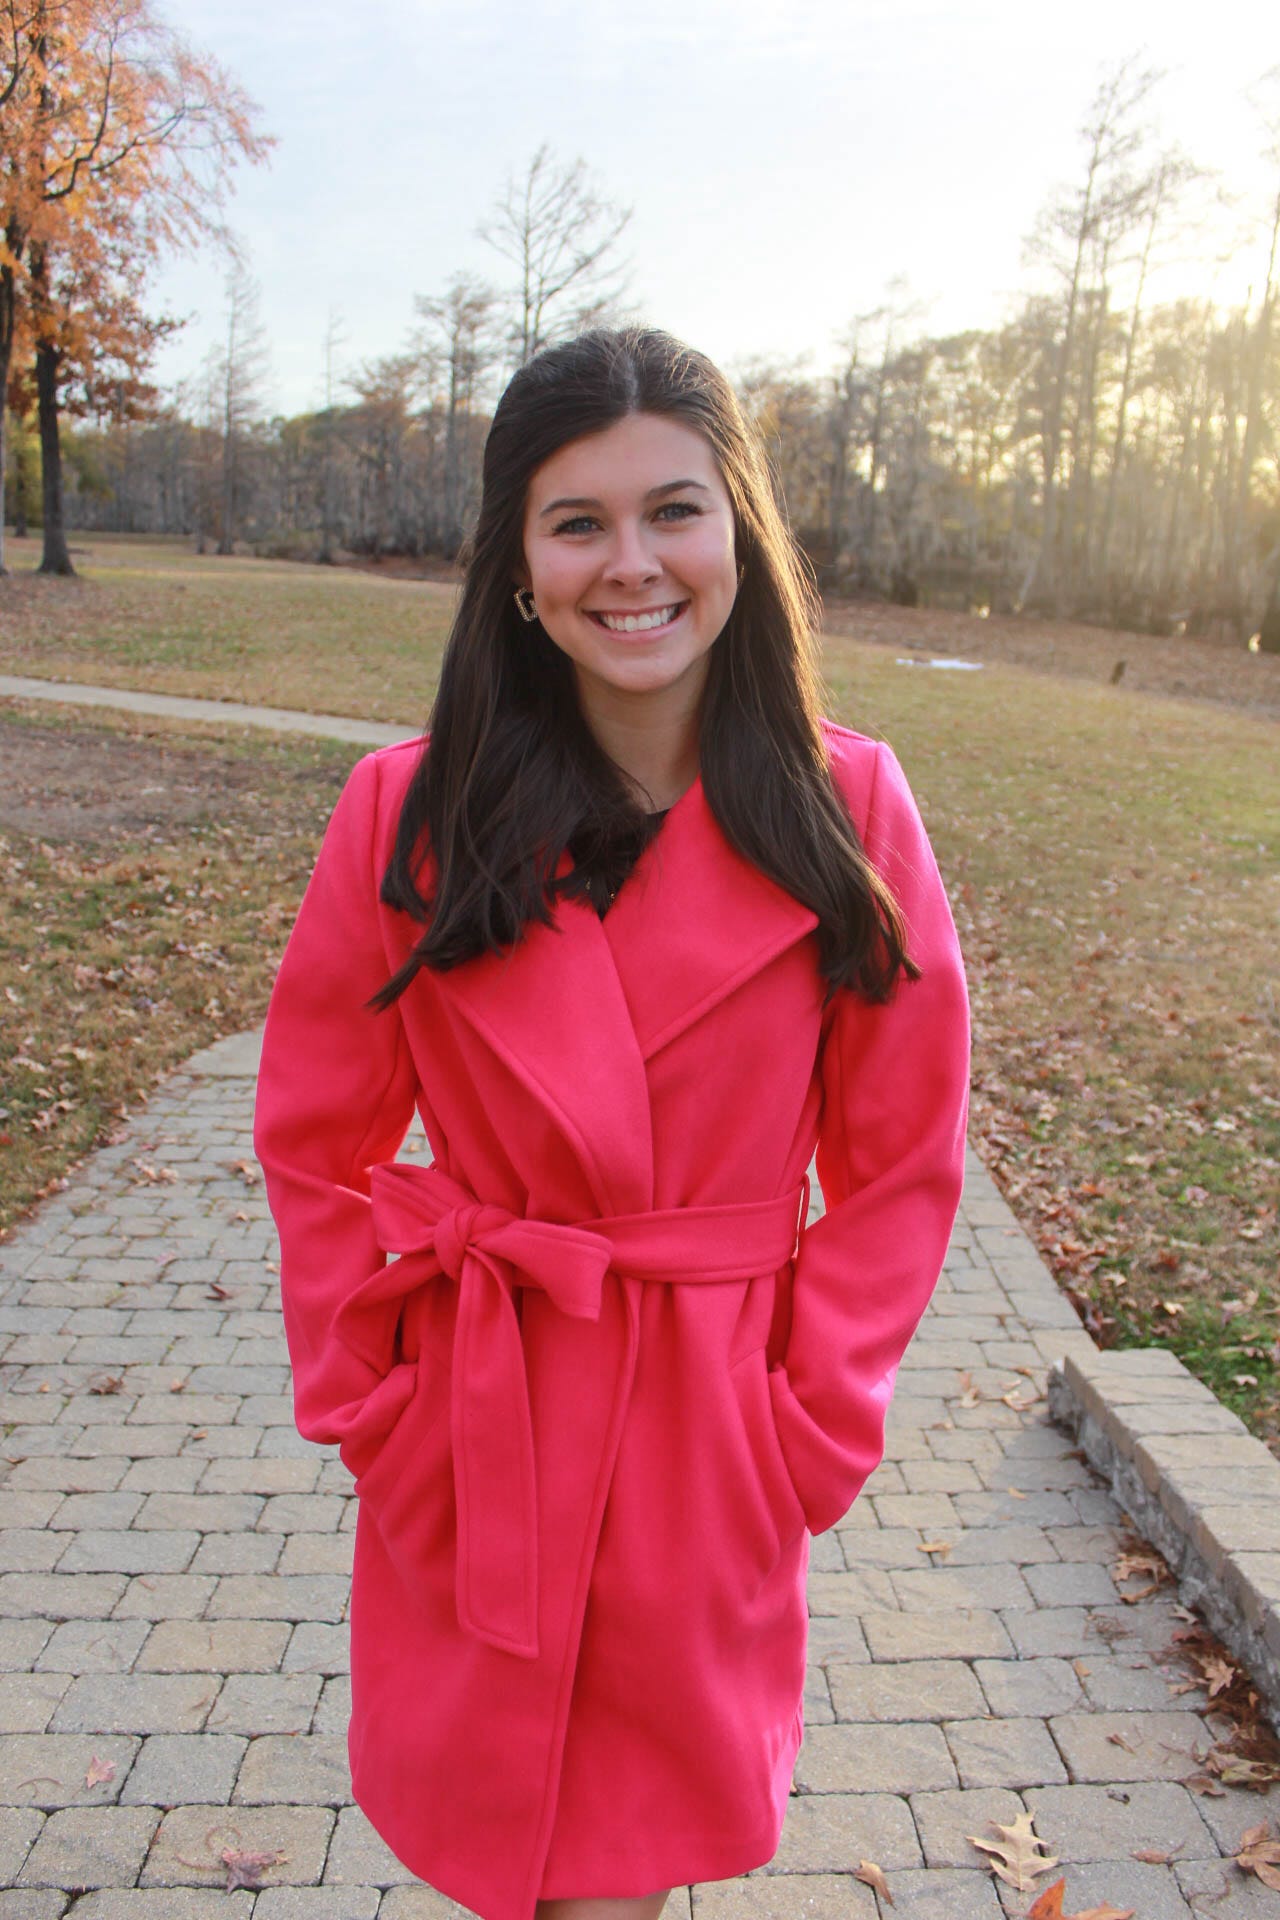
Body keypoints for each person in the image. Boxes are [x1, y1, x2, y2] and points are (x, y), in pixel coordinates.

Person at [253, 326, 970, 1920]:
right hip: (481, 1412)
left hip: (708, 1427)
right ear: (518, 563)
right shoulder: (408, 812)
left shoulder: (850, 810)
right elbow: (316, 1132)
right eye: (578, 522)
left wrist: (808, 1424)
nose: (630, 565)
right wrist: (368, 1393)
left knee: (616, 1878)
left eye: (674, 512)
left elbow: (902, 1160)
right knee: (505, 1854)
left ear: (741, 538)